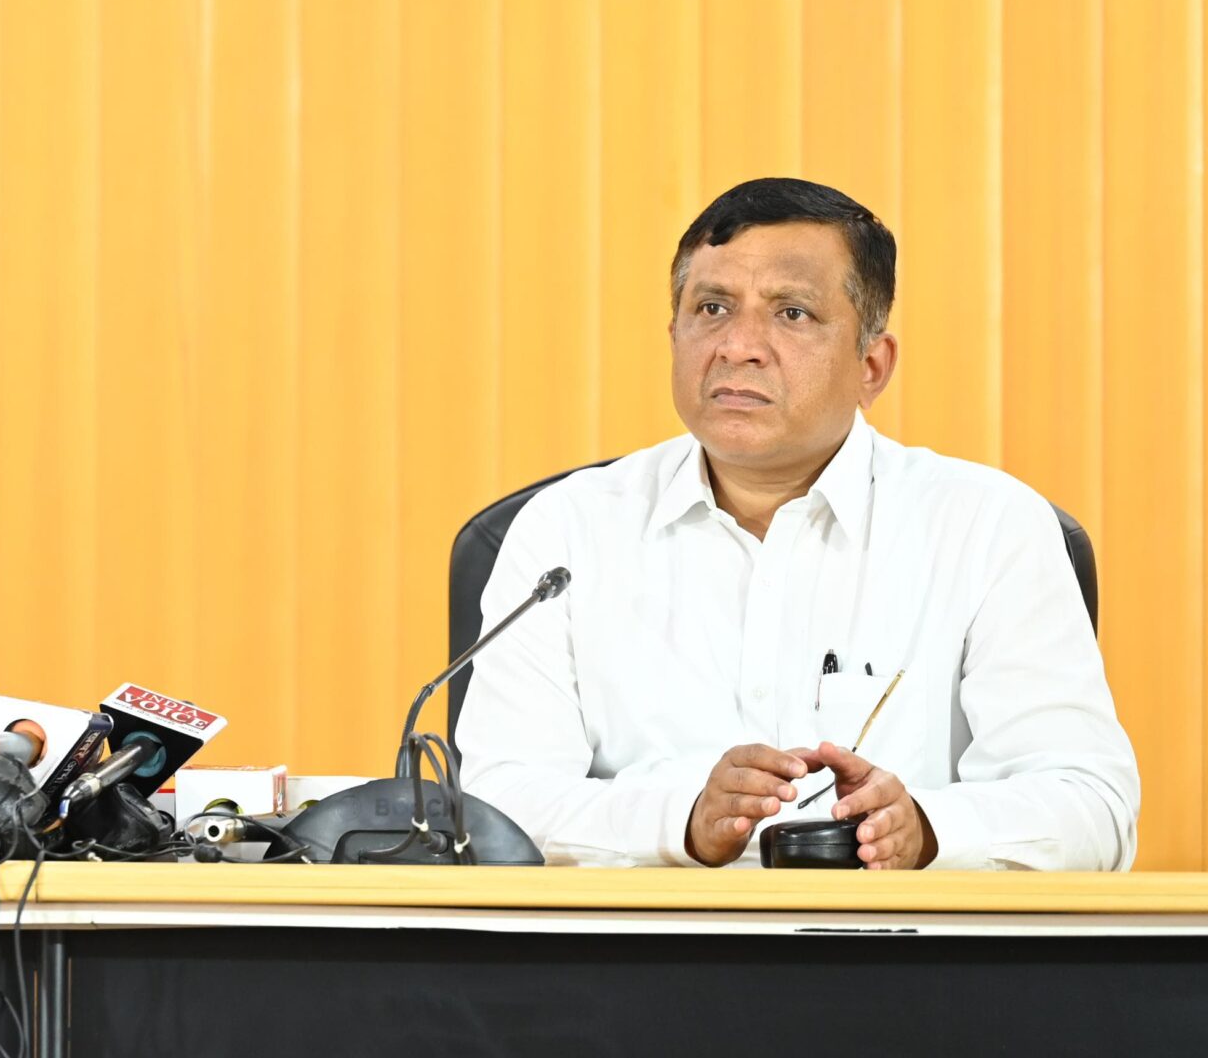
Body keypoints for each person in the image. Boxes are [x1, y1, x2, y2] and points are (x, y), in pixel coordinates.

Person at [458, 178, 1139, 869]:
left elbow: (1092, 804)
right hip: (640, 938)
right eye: (712, 308)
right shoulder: (566, 534)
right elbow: (496, 804)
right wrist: (680, 823)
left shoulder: (988, 529)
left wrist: (926, 830)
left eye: (792, 313)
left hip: (897, 935)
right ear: (674, 337)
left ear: (871, 365)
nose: (738, 346)